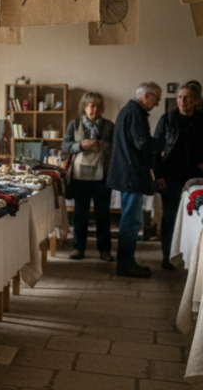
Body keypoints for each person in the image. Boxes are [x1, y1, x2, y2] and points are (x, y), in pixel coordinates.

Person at [154, 82, 203, 269]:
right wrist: (158, 175)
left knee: (195, 218)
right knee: (169, 218)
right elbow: (156, 150)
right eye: (180, 97)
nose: (182, 101)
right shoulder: (166, 119)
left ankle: (192, 257)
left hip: (195, 177)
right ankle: (167, 256)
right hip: (170, 176)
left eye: (187, 97)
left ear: (196, 101)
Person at [106, 82, 161, 278]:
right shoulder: (135, 112)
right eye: (157, 99)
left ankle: (127, 262)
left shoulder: (127, 110)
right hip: (131, 175)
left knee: (130, 220)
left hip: (127, 173)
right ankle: (126, 265)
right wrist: (164, 143)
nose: (157, 104)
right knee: (131, 221)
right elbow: (142, 142)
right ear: (146, 96)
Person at [62, 92, 115, 262]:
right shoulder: (74, 124)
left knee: (103, 215)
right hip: (80, 176)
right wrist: (80, 145)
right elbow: (65, 146)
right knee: (80, 214)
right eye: (91, 105)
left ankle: (105, 250)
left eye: (98, 106)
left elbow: (116, 148)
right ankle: (78, 248)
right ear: (84, 107)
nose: (95, 109)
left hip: (102, 176)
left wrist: (101, 145)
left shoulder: (108, 125)